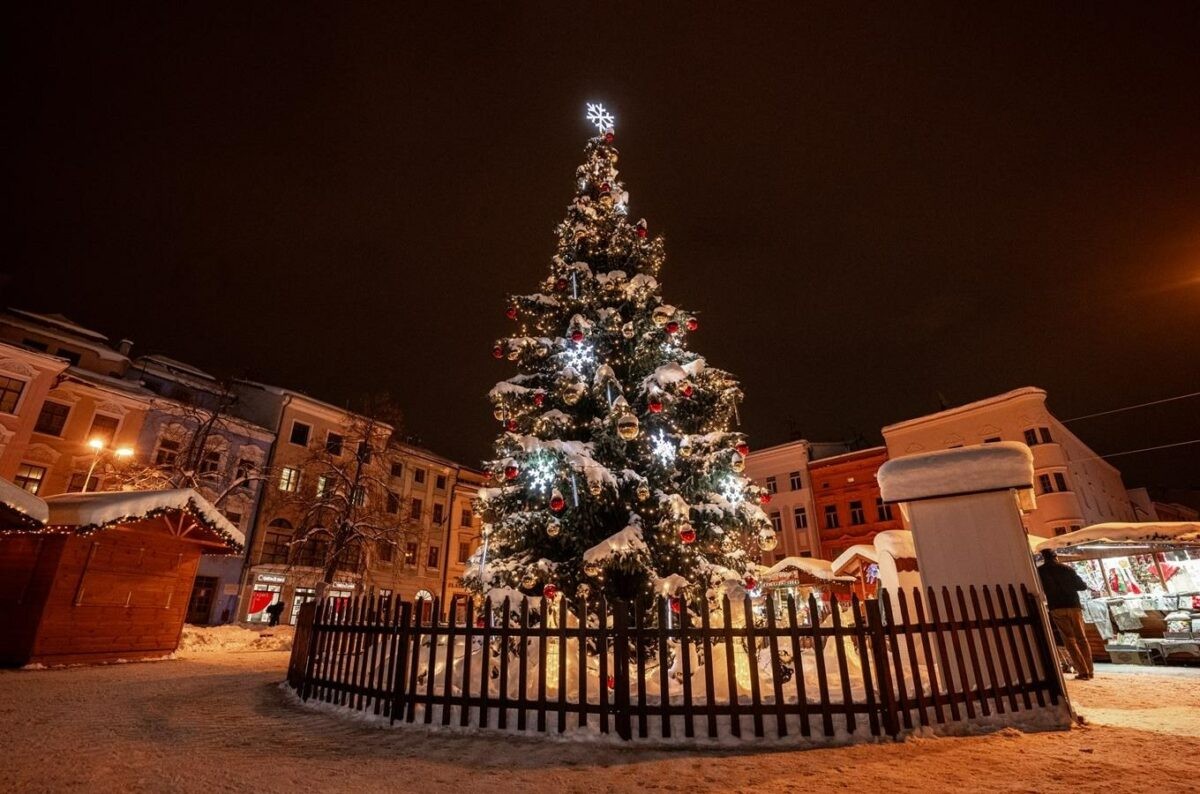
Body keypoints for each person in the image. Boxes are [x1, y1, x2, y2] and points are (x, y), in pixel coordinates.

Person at [1037, 548, 1095, 680]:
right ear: (1056, 557)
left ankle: (1083, 671)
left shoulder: (1040, 571)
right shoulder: (1067, 569)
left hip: (1056, 607)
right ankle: (1090, 670)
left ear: (1044, 558)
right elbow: (1082, 586)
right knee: (1082, 638)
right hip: (1073, 605)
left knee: (1069, 641)